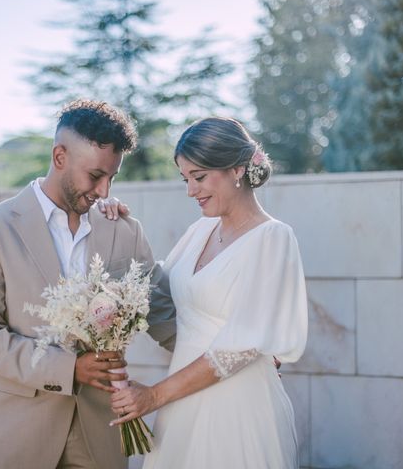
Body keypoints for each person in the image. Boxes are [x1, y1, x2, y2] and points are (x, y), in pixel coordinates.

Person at [0, 100, 175, 469]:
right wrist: (69, 369)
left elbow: (165, 315)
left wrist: (226, 354)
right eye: (95, 176)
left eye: (112, 178)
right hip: (19, 434)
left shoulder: (124, 230)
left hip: (103, 434)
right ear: (60, 157)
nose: (105, 191)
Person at [110, 117, 308, 468]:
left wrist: (153, 396)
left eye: (199, 177)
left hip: (238, 407)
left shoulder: (273, 238)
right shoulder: (200, 230)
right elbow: (154, 290)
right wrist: (118, 225)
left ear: (237, 169)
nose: (190, 190)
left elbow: (242, 346)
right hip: (182, 404)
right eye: (185, 179)